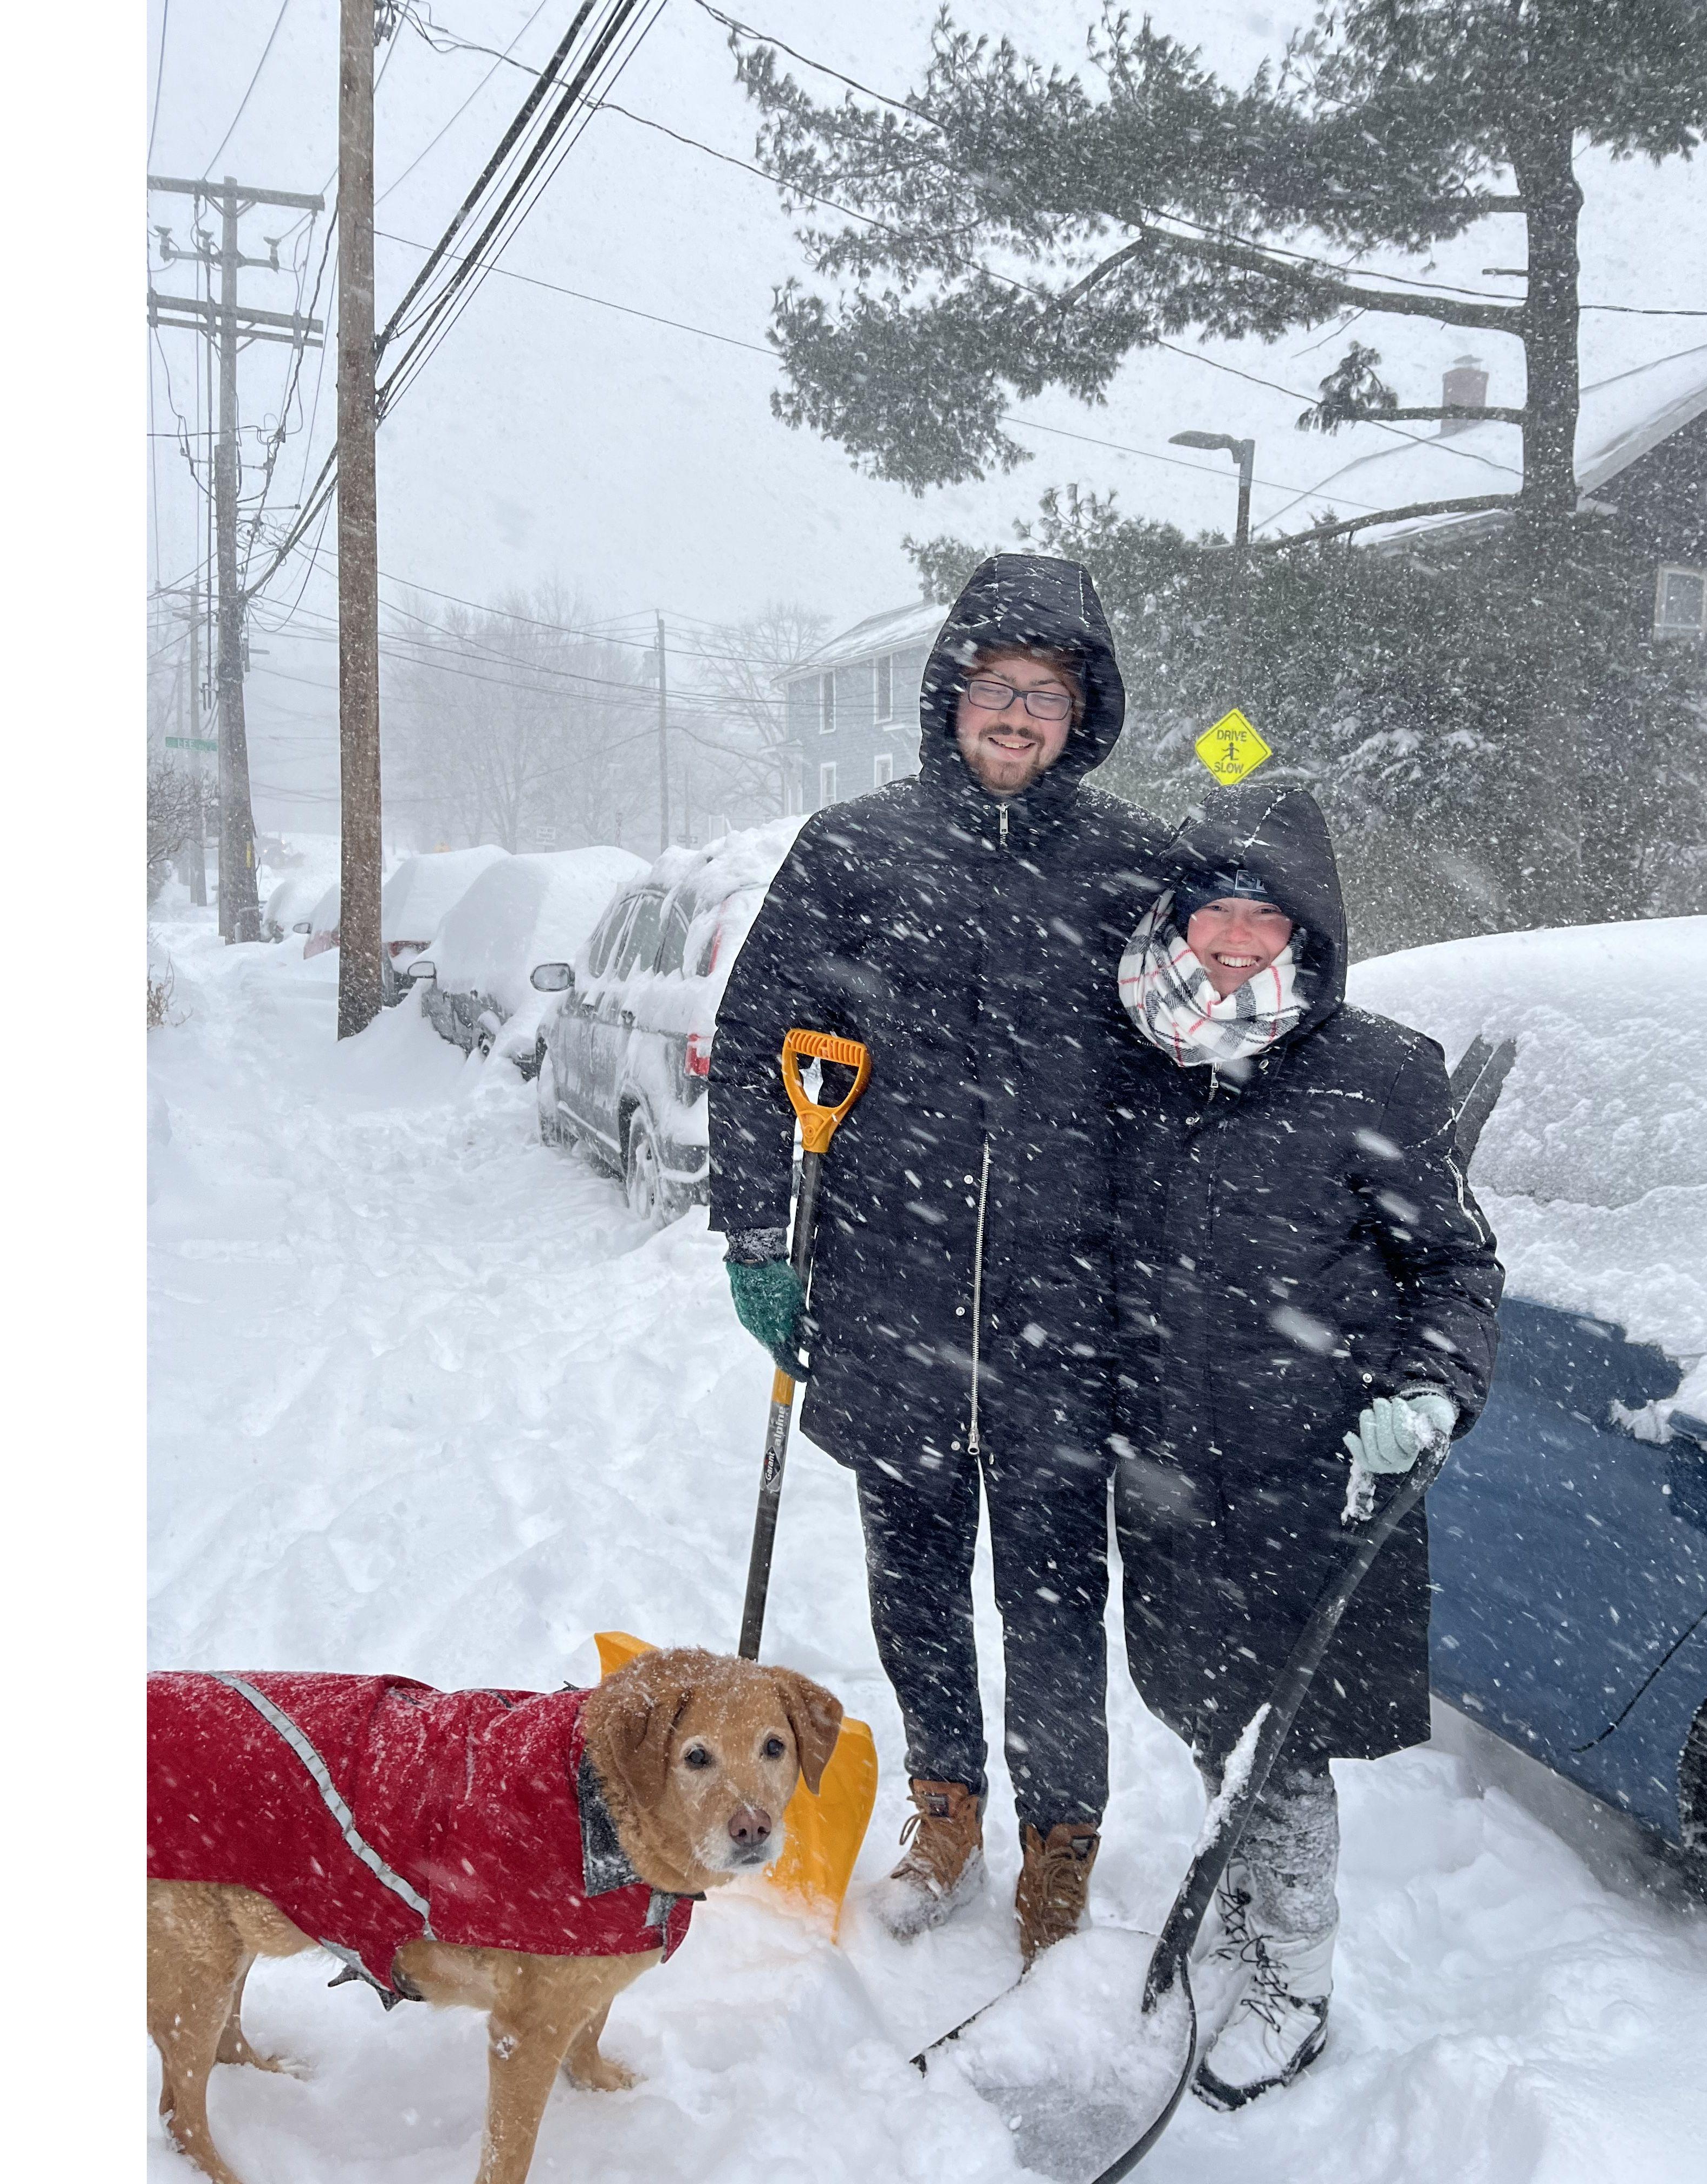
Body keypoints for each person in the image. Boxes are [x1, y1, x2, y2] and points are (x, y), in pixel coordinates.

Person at [706, 555, 1165, 1962]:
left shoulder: (1135, 870)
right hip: (890, 1306)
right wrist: (757, 1242)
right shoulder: (853, 852)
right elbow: (747, 1049)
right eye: (997, 686)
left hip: (1062, 1316)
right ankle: (947, 1803)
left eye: (1048, 692)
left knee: (1053, 1596)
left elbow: (1205, 1054)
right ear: (952, 694)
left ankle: (1065, 1838)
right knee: (913, 1583)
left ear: (1080, 714)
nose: (1018, 713)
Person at [1110, 781, 1503, 2108]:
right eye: (1213, 902)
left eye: (1265, 913)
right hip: (1166, 1469)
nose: (1234, 934)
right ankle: (1239, 1899)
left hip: (1313, 1476)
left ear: (1310, 931)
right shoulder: (1143, 1055)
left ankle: (1294, 1977)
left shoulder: (1379, 1068)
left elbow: (1453, 1268)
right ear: (1179, 913)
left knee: (1289, 1734)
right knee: (1207, 1712)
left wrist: (1431, 1390)